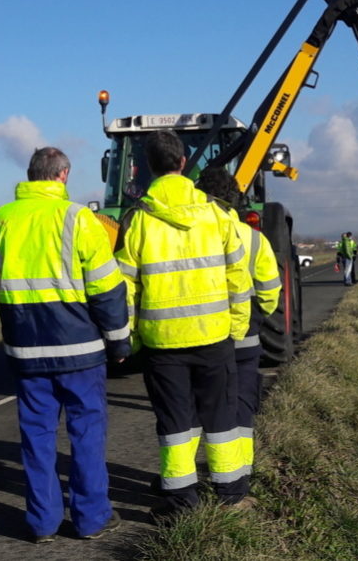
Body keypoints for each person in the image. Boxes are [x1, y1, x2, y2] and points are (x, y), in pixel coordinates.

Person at [0, 147, 129, 542]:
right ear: (63, 175)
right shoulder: (78, 218)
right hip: (78, 345)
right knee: (85, 433)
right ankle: (90, 518)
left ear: (32, 174)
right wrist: (119, 342)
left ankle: (42, 522)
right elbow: (106, 287)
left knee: (36, 436)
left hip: (26, 346)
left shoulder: (2, 217)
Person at [115, 131, 252, 515]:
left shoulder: (137, 219)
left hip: (163, 344)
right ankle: (231, 496)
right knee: (221, 418)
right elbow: (238, 279)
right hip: (214, 338)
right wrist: (236, 328)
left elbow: (126, 289)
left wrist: (131, 340)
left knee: (175, 424)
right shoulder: (217, 214)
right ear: (181, 164)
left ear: (149, 169)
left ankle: (180, 503)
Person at [194, 167, 281, 488]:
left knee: (198, 408)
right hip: (244, 338)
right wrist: (254, 318)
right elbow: (271, 290)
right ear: (234, 198)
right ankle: (239, 472)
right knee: (242, 403)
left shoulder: (194, 233)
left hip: (202, 335)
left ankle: (185, 479)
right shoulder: (253, 238)